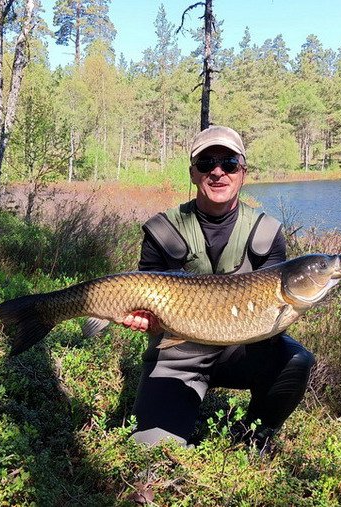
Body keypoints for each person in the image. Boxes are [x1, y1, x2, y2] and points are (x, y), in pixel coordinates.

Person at [123, 125, 315, 449]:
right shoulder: (161, 230)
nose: (217, 172)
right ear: (193, 173)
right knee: (149, 457)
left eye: (228, 164)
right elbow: (146, 292)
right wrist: (146, 322)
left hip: (242, 349)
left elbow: (272, 319)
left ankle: (253, 438)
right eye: (206, 163)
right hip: (179, 353)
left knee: (297, 360)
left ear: (243, 172)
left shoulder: (267, 232)